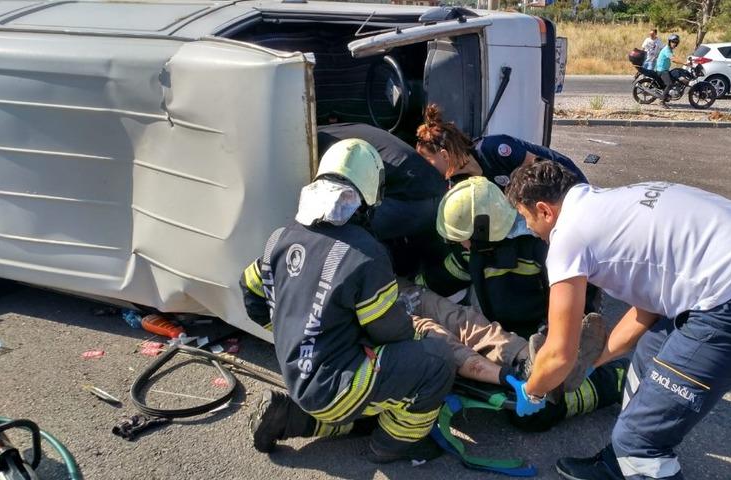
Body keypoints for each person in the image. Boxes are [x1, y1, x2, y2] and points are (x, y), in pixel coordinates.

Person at [505, 161, 731, 480]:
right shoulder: (613, 203)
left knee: (639, 442)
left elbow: (558, 353)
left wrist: (532, 392)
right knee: (649, 354)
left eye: (525, 218)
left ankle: (635, 453)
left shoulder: (567, 238)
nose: (529, 229)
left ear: (544, 210)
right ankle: (617, 463)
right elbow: (647, 311)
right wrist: (592, 361)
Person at [243, 139, 455, 464]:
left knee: (366, 406)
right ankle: (391, 446)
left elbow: (251, 294)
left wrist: (294, 333)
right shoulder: (365, 253)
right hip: (338, 384)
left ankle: (290, 417)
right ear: (371, 193)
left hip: (297, 374)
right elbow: (391, 332)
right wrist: (422, 335)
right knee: (437, 362)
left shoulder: (280, 238)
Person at [402, 281, 629, 432]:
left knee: (454, 324)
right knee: (450, 326)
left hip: (392, 288)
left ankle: (526, 365)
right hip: (391, 301)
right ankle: (527, 366)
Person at [420, 176, 602, 336]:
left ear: (481, 230)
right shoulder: (473, 250)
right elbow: (449, 274)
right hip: (499, 328)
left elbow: (575, 292)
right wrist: (417, 285)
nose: (460, 244)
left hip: (542, 328)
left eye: (462, 238)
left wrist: (563, 332)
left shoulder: (538, 245)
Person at [317, 122, 448, 275]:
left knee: (345, 220)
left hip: (423, 197)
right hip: (411, 184)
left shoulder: (320, 140)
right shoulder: (324, 137)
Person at [415, 104, 587, 190]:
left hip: (565, 182)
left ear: (444, 155)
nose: (424, 168)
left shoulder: (492, 148)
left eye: (427, 161)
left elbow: (541, 171)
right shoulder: (458, 182)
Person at [656, 34, 681, 107]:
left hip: (665, 69)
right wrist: (685, 63)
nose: (674, 44)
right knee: (670, 84)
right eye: (673, 42)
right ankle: (662, 101)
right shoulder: (667, 49)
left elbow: (674, 57)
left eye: (676, 42)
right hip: (662, 70)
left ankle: (666, 94)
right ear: (669, 42)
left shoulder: (670, 49)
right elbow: (673, 59)